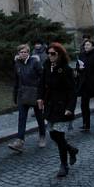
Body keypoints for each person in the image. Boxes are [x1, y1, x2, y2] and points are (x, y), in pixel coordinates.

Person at [37, 42, 78, 178]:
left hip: (62, 106)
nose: (50, 56)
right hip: (50, 106)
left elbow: (72, 90)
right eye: (48, 53)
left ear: (59, 54)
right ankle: (71, 150)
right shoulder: (47, 66)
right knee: (53, 134)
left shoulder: (65, 69)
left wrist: (70, 108)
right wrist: (40, 98)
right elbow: (42, 83)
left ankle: (63, 165)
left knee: (59, 135)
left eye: (53, 53)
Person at [8, 43, 46, 152]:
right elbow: (16, 80)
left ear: (28, 53)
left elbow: (42, 77)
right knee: (22, 118)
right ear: (18, 53)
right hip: (22, 94)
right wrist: (15, 95)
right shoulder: (17, 64)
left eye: (25, 52)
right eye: (21, 52)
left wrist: (41, 94)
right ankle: (20, 141)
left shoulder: (35, 62)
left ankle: (42, 135)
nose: (23, 53)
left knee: (39, 117)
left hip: (35, 94)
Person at [76, 37, 94, 131]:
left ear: (93, 46)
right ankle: (86, 124)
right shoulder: (81, 55)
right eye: (85, 45)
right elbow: (78, 67)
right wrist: (79, 69)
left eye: (88, 45)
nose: (86, 46)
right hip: (85, 84)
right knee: (84, 105)